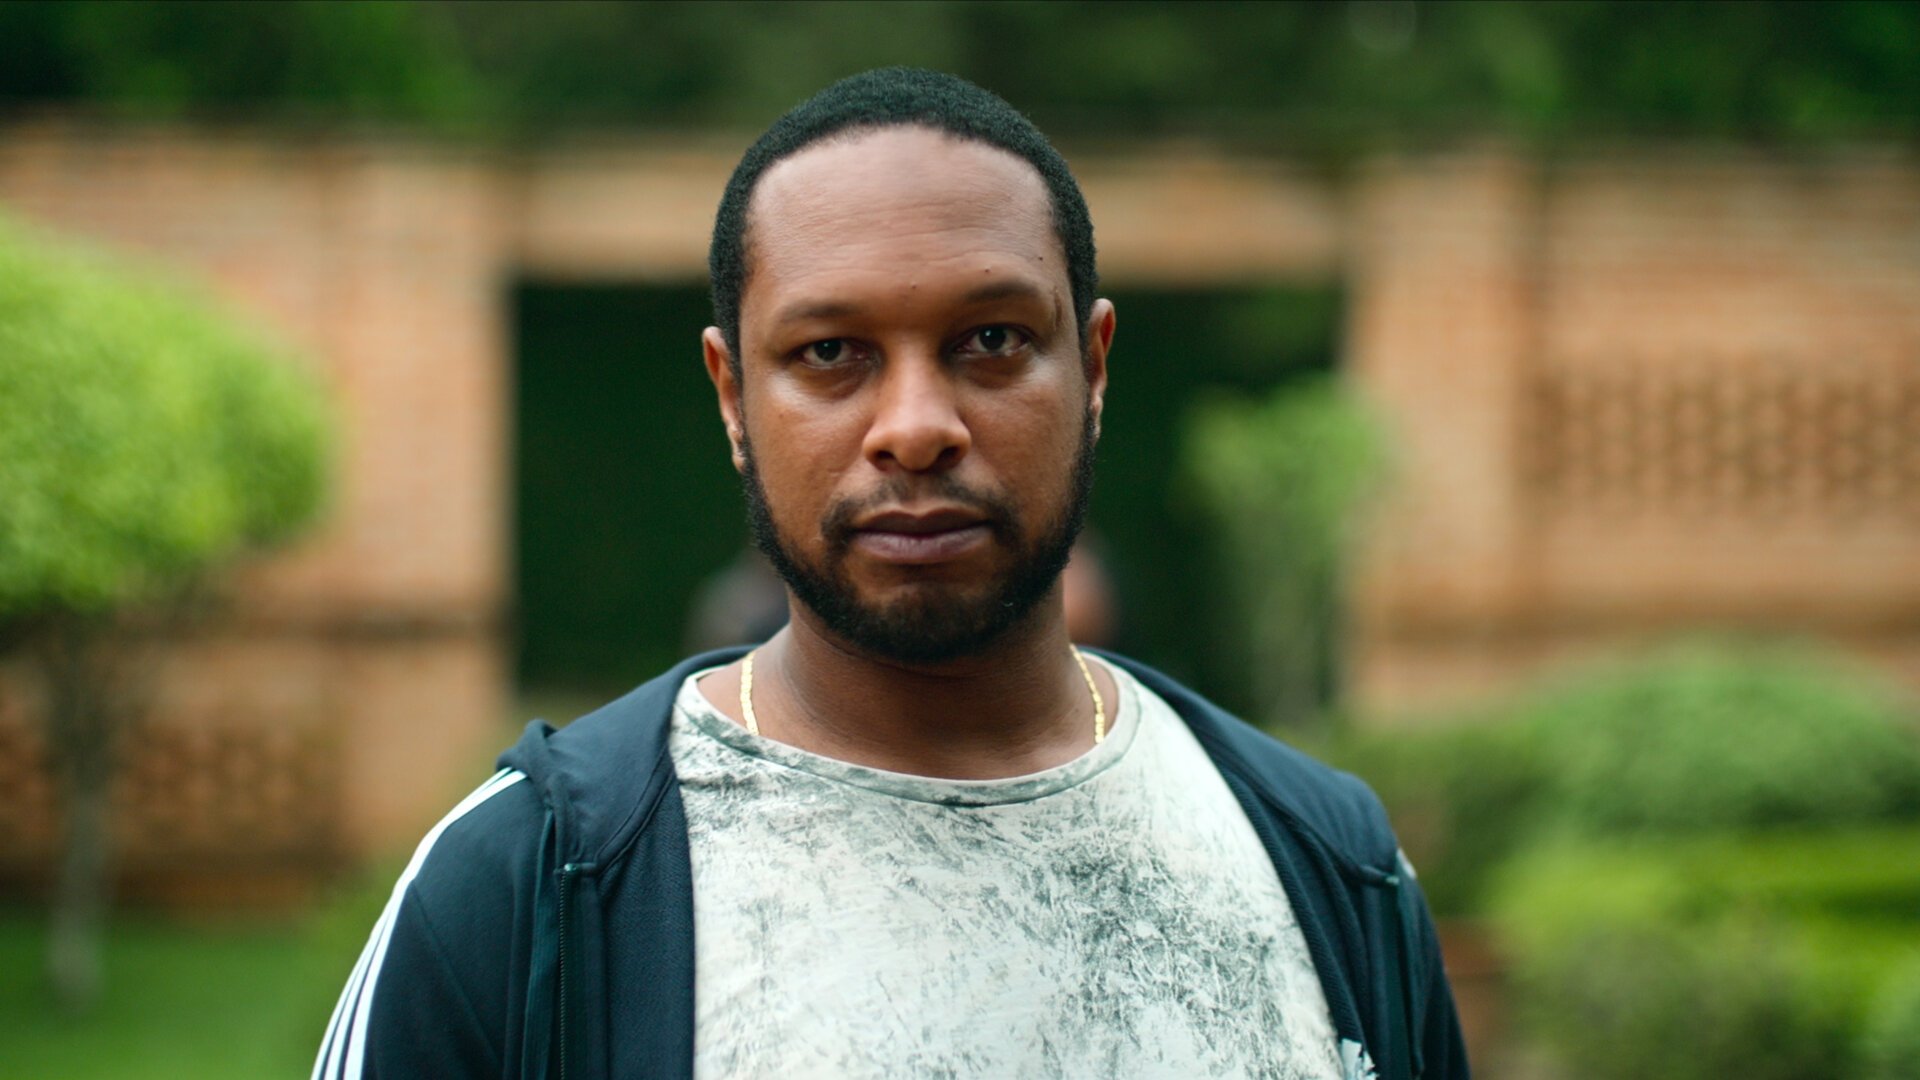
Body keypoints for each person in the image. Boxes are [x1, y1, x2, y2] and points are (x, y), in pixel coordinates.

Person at [313, 68, 1468, 1080]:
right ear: (732, 396)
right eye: (831, 354)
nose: (916, 428)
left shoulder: (1329, 861)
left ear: (1094, 367)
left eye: (992, 341)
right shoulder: (529, 882)